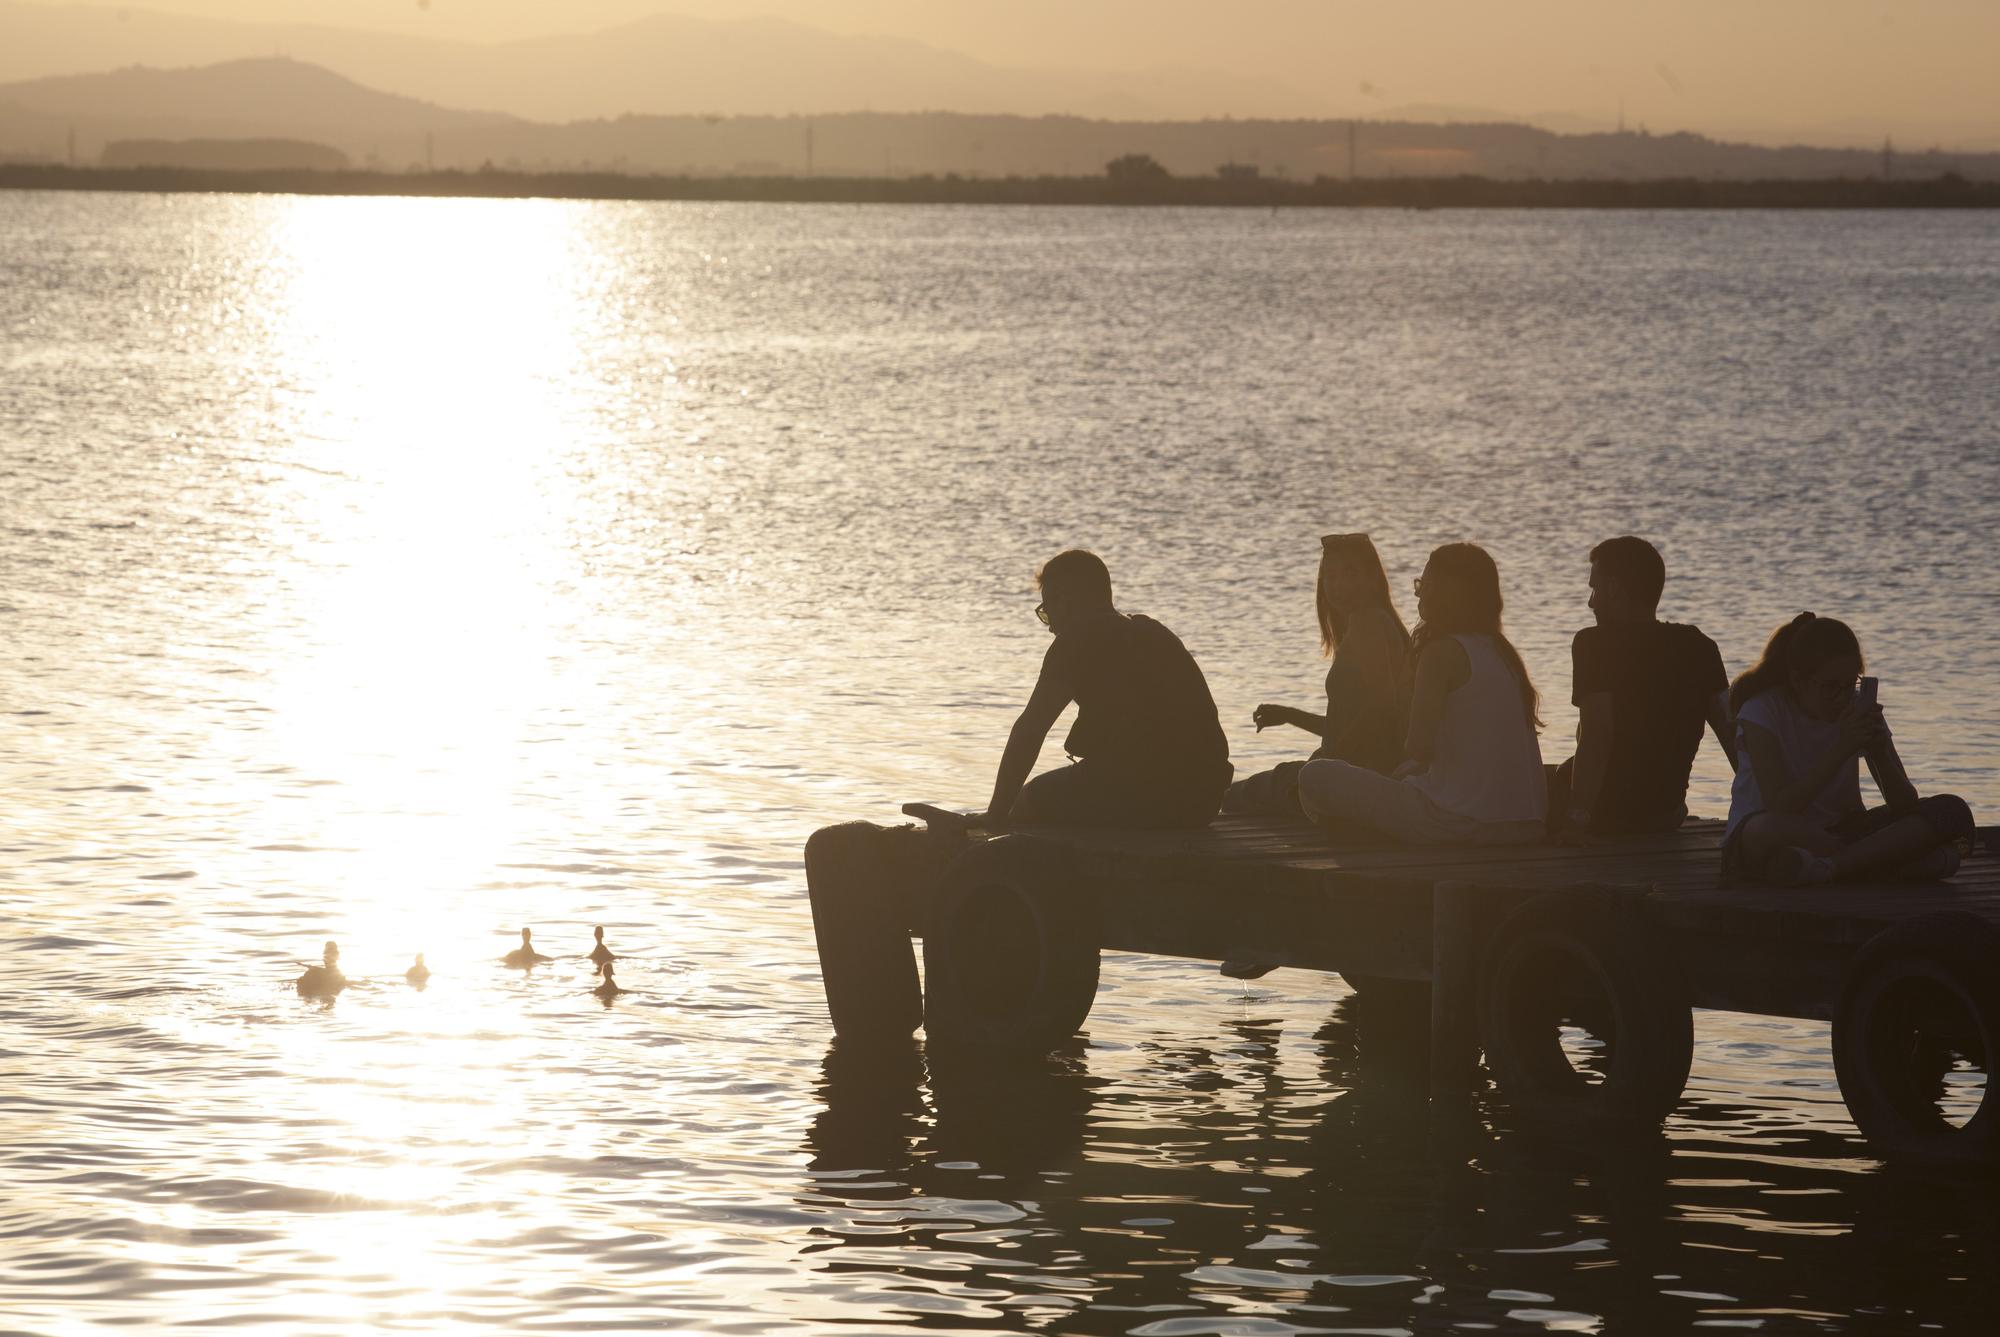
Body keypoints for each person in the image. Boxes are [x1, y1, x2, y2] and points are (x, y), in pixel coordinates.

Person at [1296, 542, 1545, 844]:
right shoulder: (1502, 653)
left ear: (1442, 594)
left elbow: (1418, 748)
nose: (1417, 592)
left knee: (1315, 775)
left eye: (1423, 584)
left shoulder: (1441, 653)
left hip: (1458, 824)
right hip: (1527, 827)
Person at [978, 549, 1231, 830]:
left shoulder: (1074, 642)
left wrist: (995, 814)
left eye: (1047, 611)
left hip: (1142, 798)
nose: (1050, 628)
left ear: (1068, 600)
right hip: (1202, 802)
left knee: (1027, 801)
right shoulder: (1156, 633)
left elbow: (1030, 730)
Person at [1723, 613, 1972, 886]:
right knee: (1764, 829)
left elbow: (1905, 805)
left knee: (1951, 810)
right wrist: (1842, 748)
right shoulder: (1762, 711)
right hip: (1781, 831)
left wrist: (1879, 753)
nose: (1841, 697)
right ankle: (1879, 862)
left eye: (1849, 685)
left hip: (1844, 830)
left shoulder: (1857, 708)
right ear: (1798, 680)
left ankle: (1832, 868)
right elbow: (1781, 805)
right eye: (1830, 687)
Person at [1552, 536, 1737, 837]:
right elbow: (1730, 733)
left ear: (1613, 588)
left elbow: (1598, 737)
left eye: (1595, 589)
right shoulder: (1699, 645)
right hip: (1665, 816)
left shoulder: (1594, 644)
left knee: (1530, 784)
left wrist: (1576, 819)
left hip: (1605, 818)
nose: (1591, 602)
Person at [1224, 532, 1410, 816]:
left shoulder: (1367, 622)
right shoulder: (1374, 624)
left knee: (1231, 798)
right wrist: (1290, 716)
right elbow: (1348, 725)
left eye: (1351, 574)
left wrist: (1330, 763)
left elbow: (1383, 707)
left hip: (1355, 779)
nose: (1339, 585)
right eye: (1331, 576)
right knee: (1246, 792)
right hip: (1356, 772)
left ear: (1373, 578)